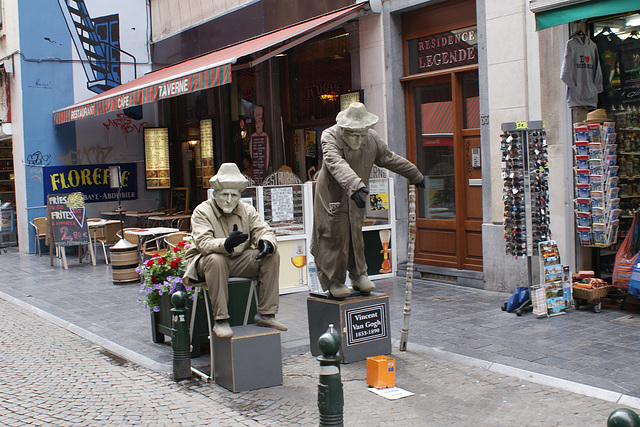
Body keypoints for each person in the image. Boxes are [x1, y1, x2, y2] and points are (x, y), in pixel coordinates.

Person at [311, 102, 424, 299]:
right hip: (333, 194)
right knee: (333, 235)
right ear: (345, 129)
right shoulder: (330, 136)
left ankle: (359, 275)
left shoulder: (371, 138)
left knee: (355, 232)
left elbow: (388, 157)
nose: (360, 138)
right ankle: (333, 280)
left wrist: (414, 174)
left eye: (363, 133)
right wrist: (355, 185)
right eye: (355, 134)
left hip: (357, 192)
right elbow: (335, 162)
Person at [183, 163, 286, 338]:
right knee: (217, 259)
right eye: (224, 195)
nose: (229, 200)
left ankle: (266, 313)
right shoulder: (202, 211)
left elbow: (262, 229)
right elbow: (203, 243)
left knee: (272, 256)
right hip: (207, 262)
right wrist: (226, 243)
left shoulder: (247, 210)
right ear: (215, 195)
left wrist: (266, 242)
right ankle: (220, 320)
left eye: (234, 195)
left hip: (237, 259)